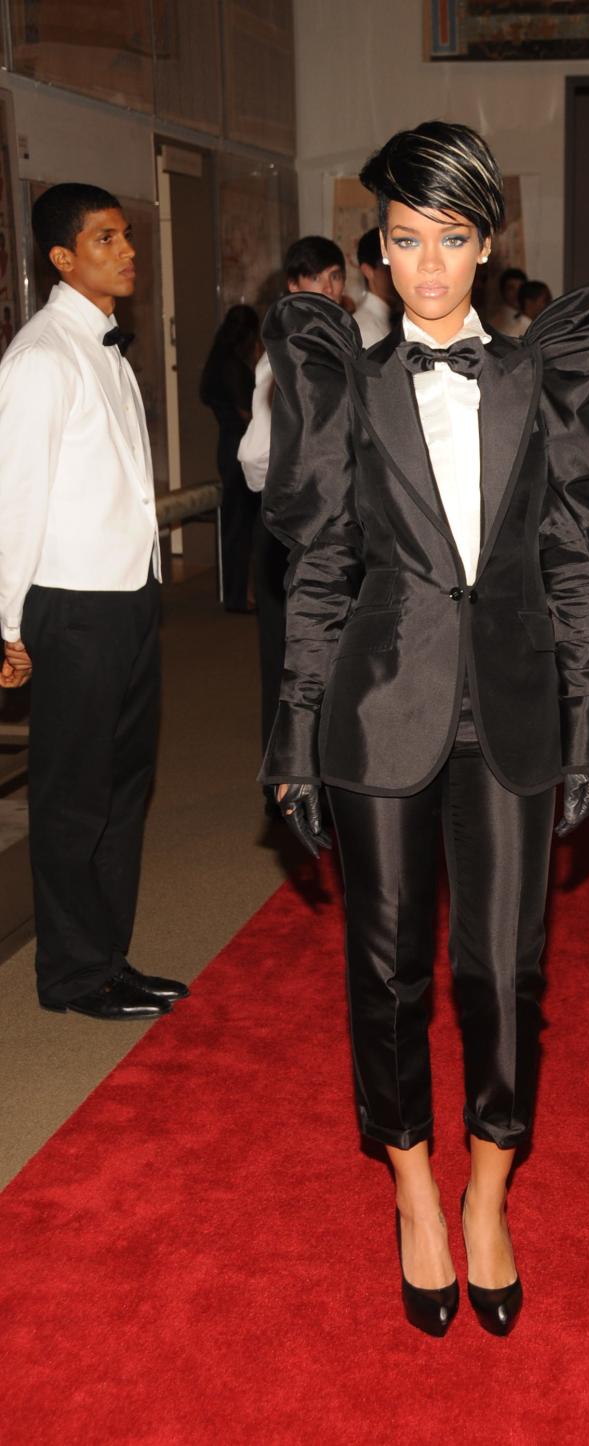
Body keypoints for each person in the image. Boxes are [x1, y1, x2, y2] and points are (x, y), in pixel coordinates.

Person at [259, 121, 589, 1336]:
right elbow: (317, 576)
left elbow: (578, 564)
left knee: (505, 973)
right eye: (406, 241)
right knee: (384, 964)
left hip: (517, 706)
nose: (428, 267)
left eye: (453, 240)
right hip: (378, 712)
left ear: (488, 247)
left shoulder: (544, 375)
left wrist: (586, 721)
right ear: (378, 251)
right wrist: (296, 729)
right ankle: (413, 1186)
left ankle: (489, 1191)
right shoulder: (348, 388)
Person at [0, 182, 188, 1020]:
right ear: (63, 258)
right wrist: (7, 624)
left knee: (121, 788)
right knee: (73, 798)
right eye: (106, 238)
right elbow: (15, 499)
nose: (128, 249)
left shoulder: (104, 347)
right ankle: (72, 975)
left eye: (127, 234)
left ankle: (109, 960)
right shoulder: (40, 358)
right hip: (70, 610)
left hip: (125, 601)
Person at [238, 237, 347, 774]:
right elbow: (254, 458)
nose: (328, 289)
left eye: (335, 277)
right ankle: (285, 775)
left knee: (332, 653)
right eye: (316, 279)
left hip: (339, 526)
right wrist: (289, 493)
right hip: (291, 525)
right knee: (289, 657)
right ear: (292, 286)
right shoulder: (279, 362)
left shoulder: (346, 347)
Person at [200, 304, 261, 613]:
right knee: (240, 525)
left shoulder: (219, 360)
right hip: (239, 446)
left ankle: (240, 593)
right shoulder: (232, 366)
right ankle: (239, 597)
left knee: (239, 524)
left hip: (228, 444)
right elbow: (246, 413)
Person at [353, 227, 397, 348]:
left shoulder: (390, 319)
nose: (399, 274)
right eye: (389, 266)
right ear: (368, 271)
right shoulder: (364, 329)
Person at [488, 264, 526, 331]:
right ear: (503, 291)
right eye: (511, 289)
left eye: (521, 288)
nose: (517, 293)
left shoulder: (530, 317)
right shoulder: (496, 324)